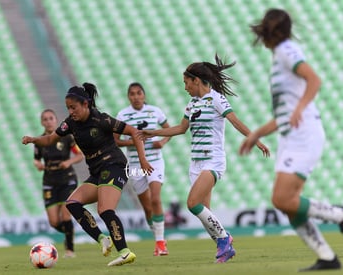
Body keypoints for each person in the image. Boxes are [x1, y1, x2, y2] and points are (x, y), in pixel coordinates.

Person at [239, 8, 343, 271]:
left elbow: (314, 80)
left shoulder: (287, 50)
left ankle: (339, 215)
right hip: (291, 135)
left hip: (304, 134)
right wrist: (256, 133)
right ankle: (327, 257)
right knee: (285, 203)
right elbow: (284, 115)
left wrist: (300, 108)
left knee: (283, 199)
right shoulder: (278, 58)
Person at [141, 54, 270, 263]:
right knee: (205, 213)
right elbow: (181, 129)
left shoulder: (217, 99)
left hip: (213, 160)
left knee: (192, 203)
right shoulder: (191, 103)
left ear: (196, 80)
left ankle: (225, 238)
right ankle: (224, 248)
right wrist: (152, 132)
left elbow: (235, 121)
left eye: (186, 82)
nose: (185, 87)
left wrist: (255, 140)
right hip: (195, 163)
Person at [22, 83, 153, 267]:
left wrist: (143, 160)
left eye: (73, 107)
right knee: (72, 203)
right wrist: (34, 139)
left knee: (105, 209)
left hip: (115, 166)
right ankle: (102, 239)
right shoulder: (70, 123)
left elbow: (133, 131)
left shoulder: (102, 120)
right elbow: (51, 138)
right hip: (98, 172)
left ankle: (124, 252)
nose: (71, 111)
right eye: (68, 108)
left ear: (86, 104)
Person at [114, 82, 170, 256]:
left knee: (155, 199)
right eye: (132, 94)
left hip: (155, 162)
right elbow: (115, 140)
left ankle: (160, 243)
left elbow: (168, 130)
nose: (136, 96)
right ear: (128, 96)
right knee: (147, 208)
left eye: (139, 93)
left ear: (144, 95)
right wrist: (133, 142)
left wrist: (162, 141)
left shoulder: (155, 111)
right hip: (135, 165)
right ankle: (158, 238)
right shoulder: (123, 115)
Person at [33, 109, 84, 258]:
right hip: (49, 180)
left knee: (66, 213)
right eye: (45, 119)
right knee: (54, 221)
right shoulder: (40, 141)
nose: (48, 121)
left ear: (56, 120)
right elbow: (36, 158)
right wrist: (37, 164)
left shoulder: (67, 137)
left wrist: (69, 161)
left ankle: (70, 249)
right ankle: (70, 232)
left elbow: (80, 155)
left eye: (51, 118)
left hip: (67, 179)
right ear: (42, 122)